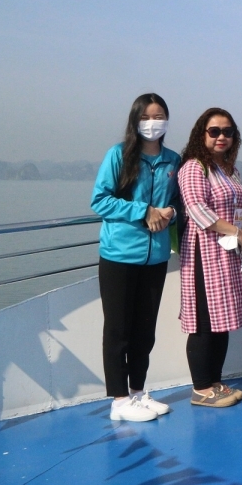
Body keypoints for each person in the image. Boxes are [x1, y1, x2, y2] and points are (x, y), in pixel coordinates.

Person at [90, 93, 180, 422]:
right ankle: (119, 400)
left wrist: (170, 212)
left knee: (145, 330)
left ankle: (138, 393)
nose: (153, 123)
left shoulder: (173, 160)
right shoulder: (119, 155)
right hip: (119, 255)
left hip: (155, 258)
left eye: (159, 117)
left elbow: (179, 201)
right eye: (146, 117)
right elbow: (100, 200)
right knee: (118, 330)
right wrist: (144, 211)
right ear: (135, 121)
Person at [178, 108, 242, 408]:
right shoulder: (194, 168)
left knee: (222, 319)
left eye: (228, 132)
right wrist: (237, 231)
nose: (222, 137)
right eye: (214, 131)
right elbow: (197, 210)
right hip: (203, 253)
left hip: (228, 254)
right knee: (204, 320)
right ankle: (201, 388)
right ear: (201, 134)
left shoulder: (230, 170)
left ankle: (216, 382)